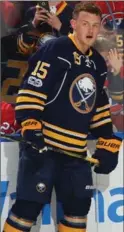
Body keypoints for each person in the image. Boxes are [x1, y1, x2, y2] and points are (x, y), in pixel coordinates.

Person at [3, 2, 122, 232]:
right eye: (85, 23)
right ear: (74, 24)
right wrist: (30, 125)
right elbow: (32, 88)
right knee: (26, 210)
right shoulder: (55, 48)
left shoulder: (97, 63)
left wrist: (107, 143)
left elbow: (97, 108)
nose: (90, 30)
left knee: (78, 213)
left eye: (95, 25)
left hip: (76, 155)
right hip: (43, 150)